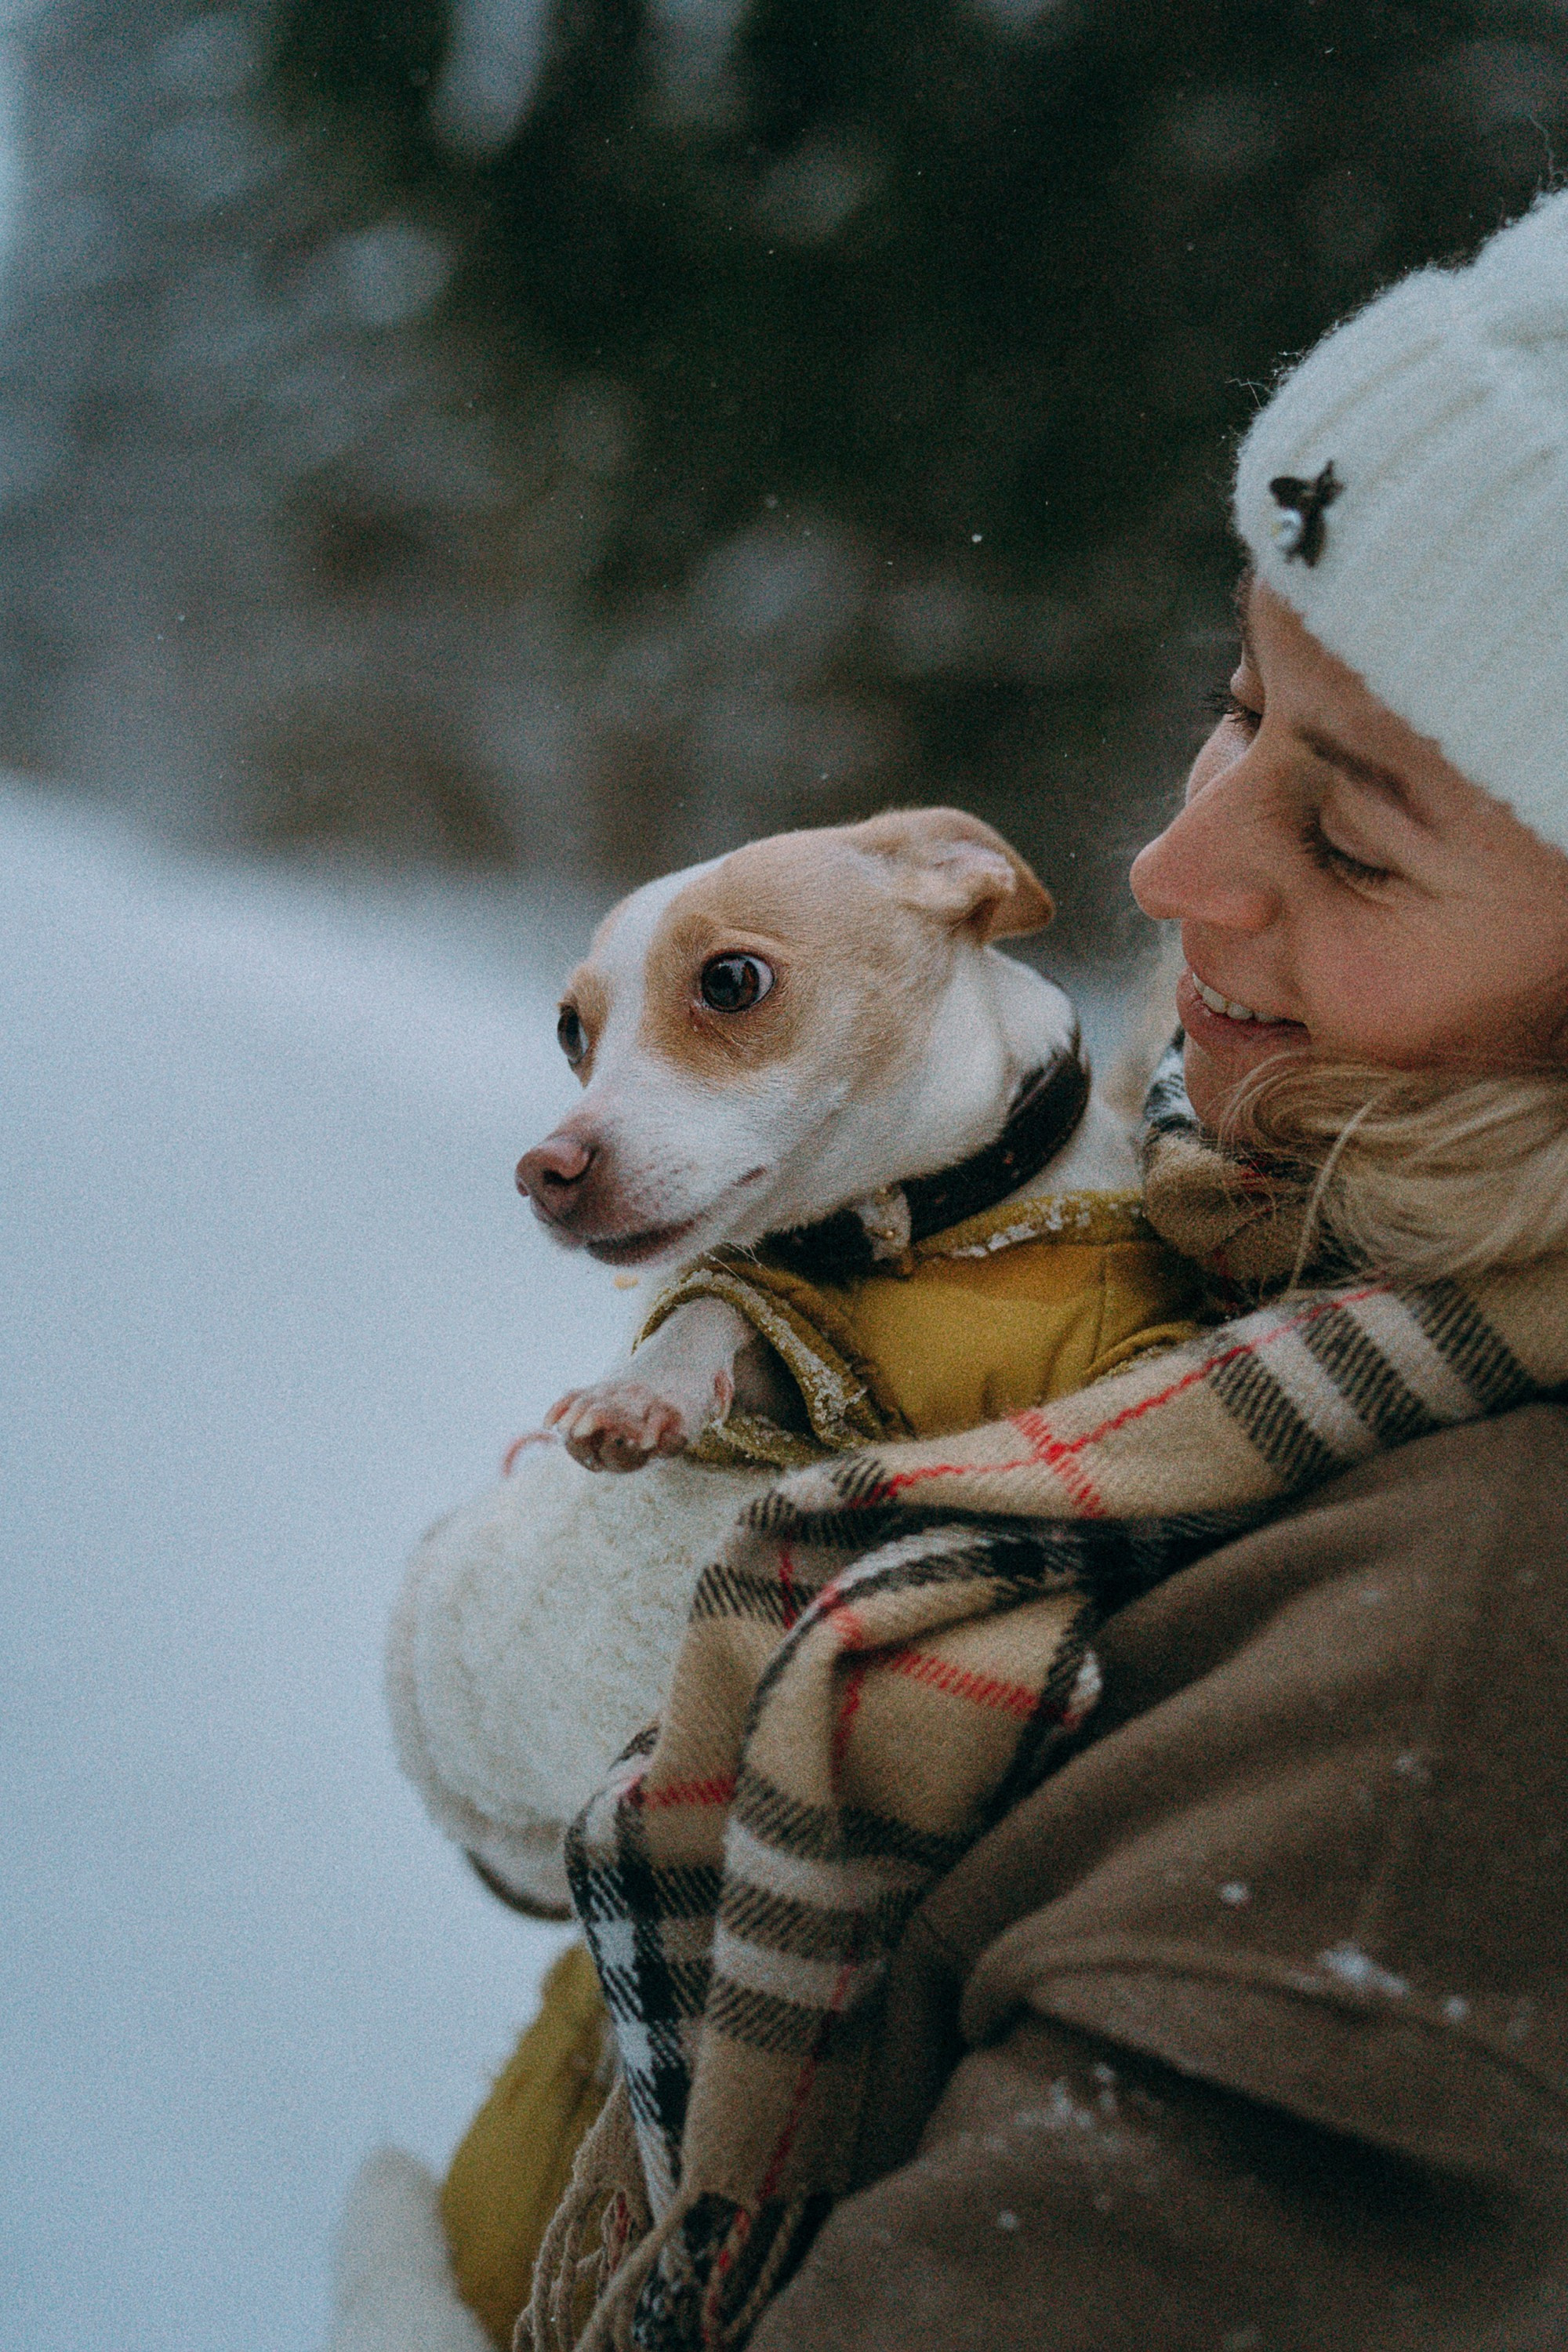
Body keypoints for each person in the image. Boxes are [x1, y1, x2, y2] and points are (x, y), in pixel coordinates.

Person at [447, 191, 1568, 2352]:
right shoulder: (1227, 1226)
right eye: (1238, 706)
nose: (1168, 868)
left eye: (1351, 834)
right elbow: (583, 1857)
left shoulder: (1487, 1650)